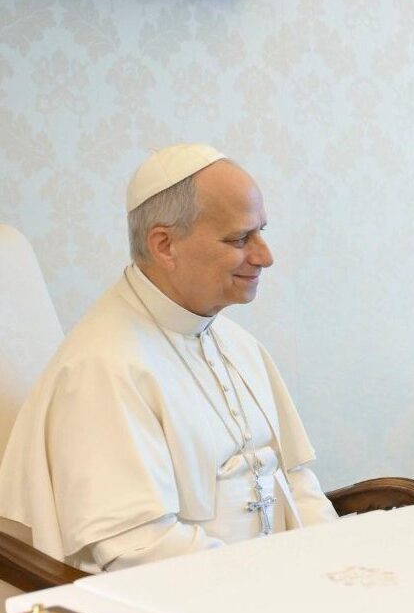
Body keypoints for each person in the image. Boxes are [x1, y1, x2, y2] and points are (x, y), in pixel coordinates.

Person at [0, 144, 338, 571]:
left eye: (261, 232)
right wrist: (267, 580)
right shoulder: (104, 367)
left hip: (277, 581)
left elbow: (295, 480)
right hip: (190, 595)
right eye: (239, 239)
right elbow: (138, 547)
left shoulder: (238, 344)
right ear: (164, 245)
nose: (264, 256)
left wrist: (334, 560)